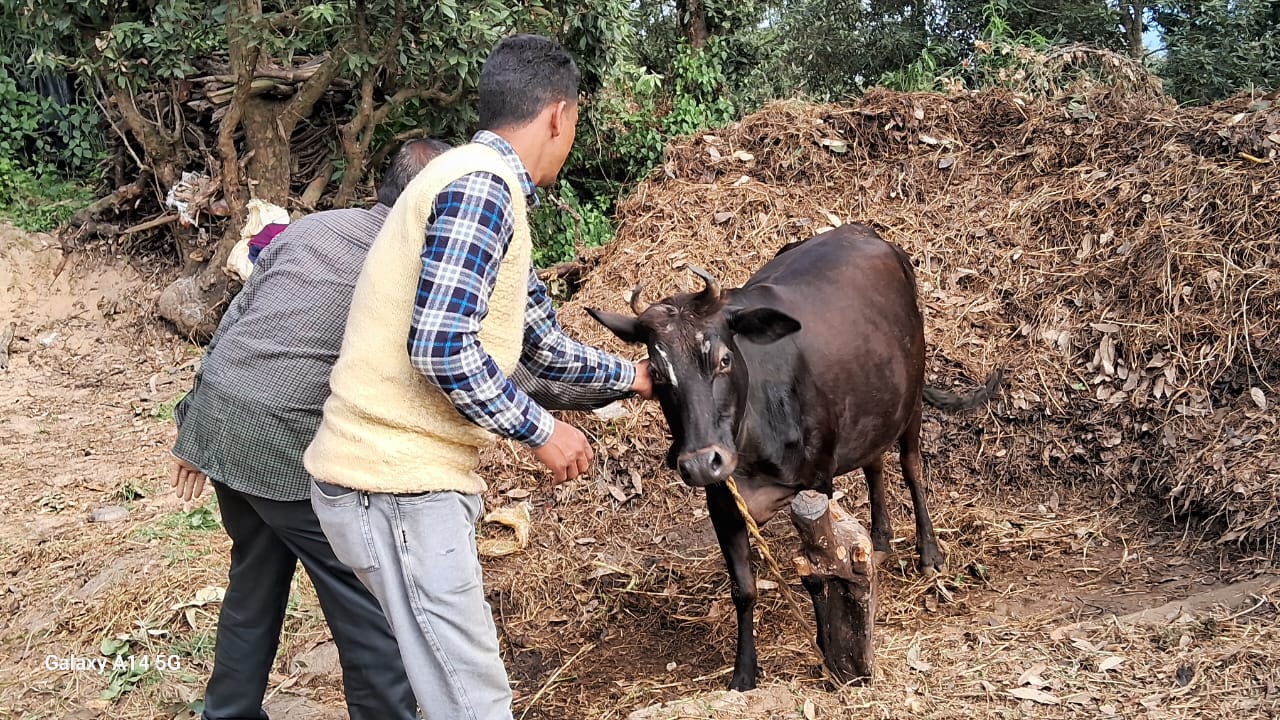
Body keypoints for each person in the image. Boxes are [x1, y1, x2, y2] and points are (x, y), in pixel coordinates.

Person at [303, 34, 653, 720]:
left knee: (448, 686)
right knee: (473, 699)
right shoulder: (480, 190)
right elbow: (440, 345)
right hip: (395, 486)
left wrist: (636, 379)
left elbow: (542, 345)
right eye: (574, 124)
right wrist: (540, 430)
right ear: (560, 116)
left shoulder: (478, 187)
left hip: (395, 485)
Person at [168, 139, 450, 720]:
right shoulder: (415, 260)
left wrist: (192, 421)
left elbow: (236, 320)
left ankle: (228, 712)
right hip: (284, 444)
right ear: (431, 202)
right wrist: (628, 380)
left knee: (256, 575)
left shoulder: (311, 229)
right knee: (369, 605)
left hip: (223, 420)